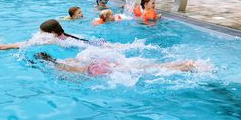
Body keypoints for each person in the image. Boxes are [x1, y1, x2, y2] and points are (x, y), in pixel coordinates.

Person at [34, 52, 203, 76]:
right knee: (154, 65)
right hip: (102, 64)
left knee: (150, 70)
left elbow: (79, 74)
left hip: (101, 70)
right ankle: (184, 63)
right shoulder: (67, 60)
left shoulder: (61, 67)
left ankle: (186, 66)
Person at [0, 19, 89, 50]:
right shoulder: (66, 36)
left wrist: (7, 46)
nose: (40, 34)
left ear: (52, 32)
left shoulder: (52, 39)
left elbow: (28, 44)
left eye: (42, 32)